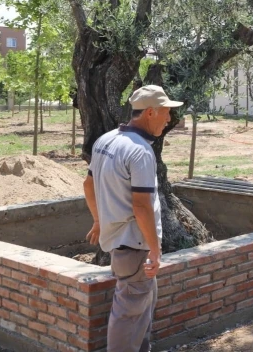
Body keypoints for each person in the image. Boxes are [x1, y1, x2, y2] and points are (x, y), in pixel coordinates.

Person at [83, 85, 183, 352]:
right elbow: (141, 206)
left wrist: (98, 220)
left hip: (122, 245)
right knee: (129, 315)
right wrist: (155, 249)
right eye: (166, 112)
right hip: (136, 247)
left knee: (141, 310)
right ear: (150, 112)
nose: (170, 119)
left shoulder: (105, 140)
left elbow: (88, 186)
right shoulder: (140, 151)